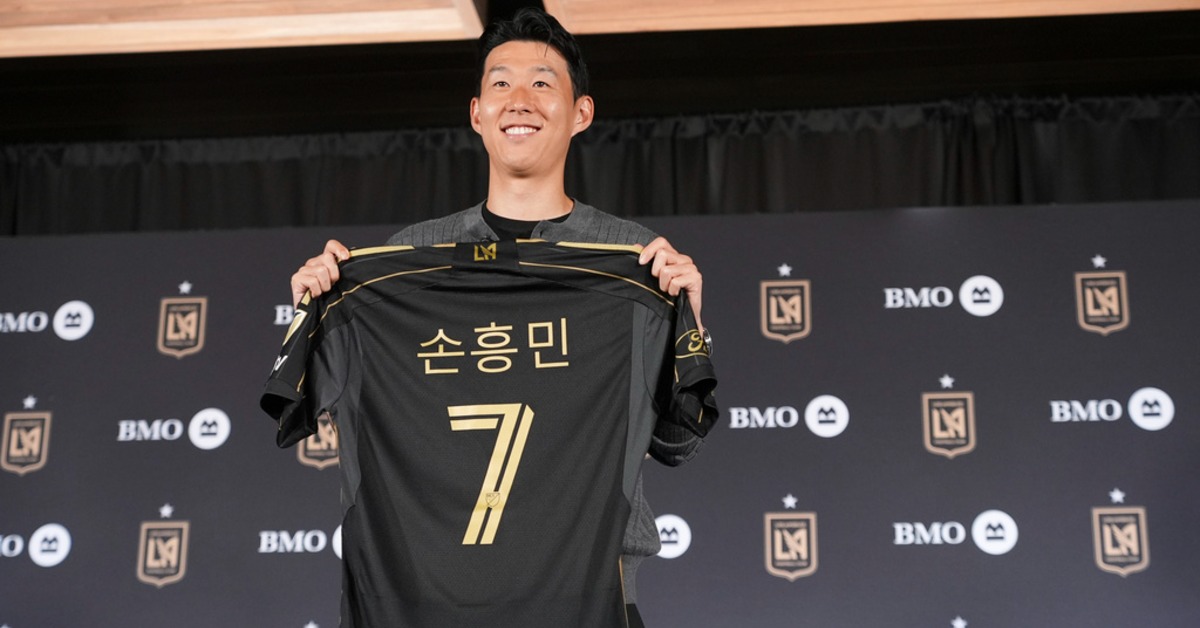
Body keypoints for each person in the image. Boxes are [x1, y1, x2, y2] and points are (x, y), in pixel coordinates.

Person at [288, 8, 712, 626]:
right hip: (428, 602)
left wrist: (689, 321)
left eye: (542, 82)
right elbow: (338, 416)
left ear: (581, 113)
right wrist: (319, 311)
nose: (519, 100)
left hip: (589, 603)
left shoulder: (635, 259)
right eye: (501, 83)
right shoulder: (405, 262)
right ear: (476, 113)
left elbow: (676, 443)